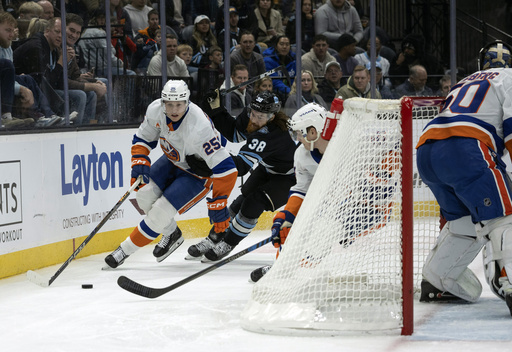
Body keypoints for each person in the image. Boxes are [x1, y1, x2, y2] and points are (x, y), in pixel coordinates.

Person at [415, 40, 512, 315]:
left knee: (465, 222)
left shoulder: (464, 81)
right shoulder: (510, 78)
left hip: (427, 150)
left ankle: (437, 281)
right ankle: (509, 280)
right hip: (467, 148)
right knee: (504, 214)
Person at [104, 80, 238, 268]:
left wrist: (219, 201)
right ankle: (172, 233)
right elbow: (143, 138)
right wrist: (139, 159)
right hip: (173, 161)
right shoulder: (155, 110)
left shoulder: (199, 128)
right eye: (170, 104)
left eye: (179, 104)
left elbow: (228, 169)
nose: (174, 110)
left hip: (198, 173)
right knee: (143, 195)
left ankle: (123, 251)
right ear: (163, 102)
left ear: (187, 102)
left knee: (159, 212)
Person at [186, 90, 297, 262]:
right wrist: (217, 109)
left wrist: (211, 162)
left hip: (291, 177)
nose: (254, 119)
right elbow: (235, 133)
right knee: (240, 201)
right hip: (269, 168)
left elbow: (242, 167)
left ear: (272, 117)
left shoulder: (272, 135)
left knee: (254, 202)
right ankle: (214, 238)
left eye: (260, 117)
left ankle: (228, 243)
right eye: (253, 114)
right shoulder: (254, 117)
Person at [250, 102, 329, 282]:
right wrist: (287, 216)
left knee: (317, 227)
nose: (298, 138)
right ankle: (283, 266)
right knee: (289, 226)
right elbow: (301, 189)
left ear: (313, 131)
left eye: (300, 133)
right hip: (333, 204)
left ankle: (305, 271)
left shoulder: (341, 148)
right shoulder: (302, 154)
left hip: (360, 207)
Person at [11, 16, 78, 125]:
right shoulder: (36, 47)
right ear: (47, 31)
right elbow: (45, 81)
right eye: (57, 32)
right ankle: (52, 117)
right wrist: (61, 62)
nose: (60, 36)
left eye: (63, 34)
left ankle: (55, 117)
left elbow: (60, 81)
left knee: (84, 94)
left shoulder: (54, 49)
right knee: (79, 96)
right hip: (26, 87)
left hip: (38, 87)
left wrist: (67, 62)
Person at [63, 13, 108, 125]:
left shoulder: (70, 47)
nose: (74, 35)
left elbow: (76, 76)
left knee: (102, 83)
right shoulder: (60, 48)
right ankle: (81, 127)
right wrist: (92, 85)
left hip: (67, 84)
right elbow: (61, 81)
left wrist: (94, 82)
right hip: (56, 89)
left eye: (78, 32)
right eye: (71, 30)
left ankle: (97, 122)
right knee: (82, 94)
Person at [78, 12, 136, 76]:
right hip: (100, 68)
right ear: (93, 19)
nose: (102, 20)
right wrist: (119, 63)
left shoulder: (85, 31)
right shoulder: (98, 33)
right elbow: (107, 54)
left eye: (103, 18)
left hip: (90, 67)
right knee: (131, 74)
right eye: (100, 18)